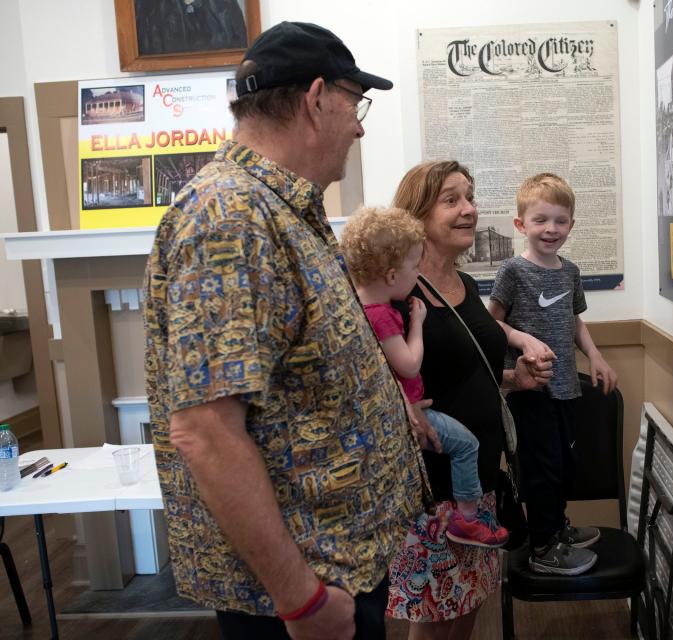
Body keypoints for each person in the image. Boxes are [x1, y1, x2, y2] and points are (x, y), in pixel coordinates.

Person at [143, 22, 431, 640]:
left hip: (340, 570)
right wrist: (301, 601)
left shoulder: (280, 208)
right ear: (316, 97)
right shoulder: (231, 216)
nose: (358, 124)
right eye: (355, 103)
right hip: (305, 594)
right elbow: (204, 432)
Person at [385, 161, 554, 639]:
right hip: (433, 494)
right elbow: (375, 380)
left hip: (477, 491)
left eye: (470, 197)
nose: (469, 210)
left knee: (465, 617)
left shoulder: (466, 286)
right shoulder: (399, 294)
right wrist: (402, 408)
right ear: (416, 215)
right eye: (452, 200)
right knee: (436, 625)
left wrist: (514, 380)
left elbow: (465, 375)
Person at [340, 206, 509, 548]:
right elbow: (409, 366)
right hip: (425, 468)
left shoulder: (375, 304)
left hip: (468, 456)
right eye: (412, 267)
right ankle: (467, 519)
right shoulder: (385, 313)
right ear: (390, 275)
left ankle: (469, 515)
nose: (416, 275)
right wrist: (417, 324)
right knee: (465, 444)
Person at [489, 173, 618, 576]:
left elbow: (575, 321)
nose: (551, 229)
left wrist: (595, 357)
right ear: (520, 225)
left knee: (563, 465)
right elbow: (492, 323)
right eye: (541, 220)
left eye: (560, 221)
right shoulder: (512, 271)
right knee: (541, 470)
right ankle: (543, 545)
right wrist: (521, 337)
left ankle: (557, 528)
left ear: (571, 225)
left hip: (565, 390)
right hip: (531, 389)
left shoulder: (570, 271)